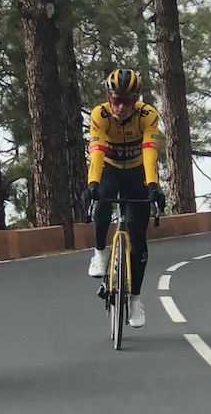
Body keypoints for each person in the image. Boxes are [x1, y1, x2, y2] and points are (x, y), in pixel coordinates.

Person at [82, 68, 166, 329]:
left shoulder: (147, 115)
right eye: (115, 99)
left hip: (137, 170)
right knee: (103, 199)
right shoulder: (100, 114)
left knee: (138, 240)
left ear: (136, 99)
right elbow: (96, 151)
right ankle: (99, 253)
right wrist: (92, 183)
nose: (119, 107)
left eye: (126, 101)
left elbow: (150, 152)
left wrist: (153, 185)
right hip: (109, 168)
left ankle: (136, 299)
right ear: (108, 96)